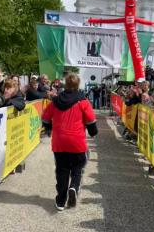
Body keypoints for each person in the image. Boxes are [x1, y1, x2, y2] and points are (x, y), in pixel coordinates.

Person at [41, 73, 98, 211]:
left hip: (59, 141)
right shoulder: (83, 101)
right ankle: (74, 187)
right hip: (76, 141)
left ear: (65, 84)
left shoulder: (56, 101)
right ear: (78, 84)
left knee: (62, 170)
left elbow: (45, 118)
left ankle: (61, 200)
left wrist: (49, 128)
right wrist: (93, 132)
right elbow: (91, 121)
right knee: (77, 168)